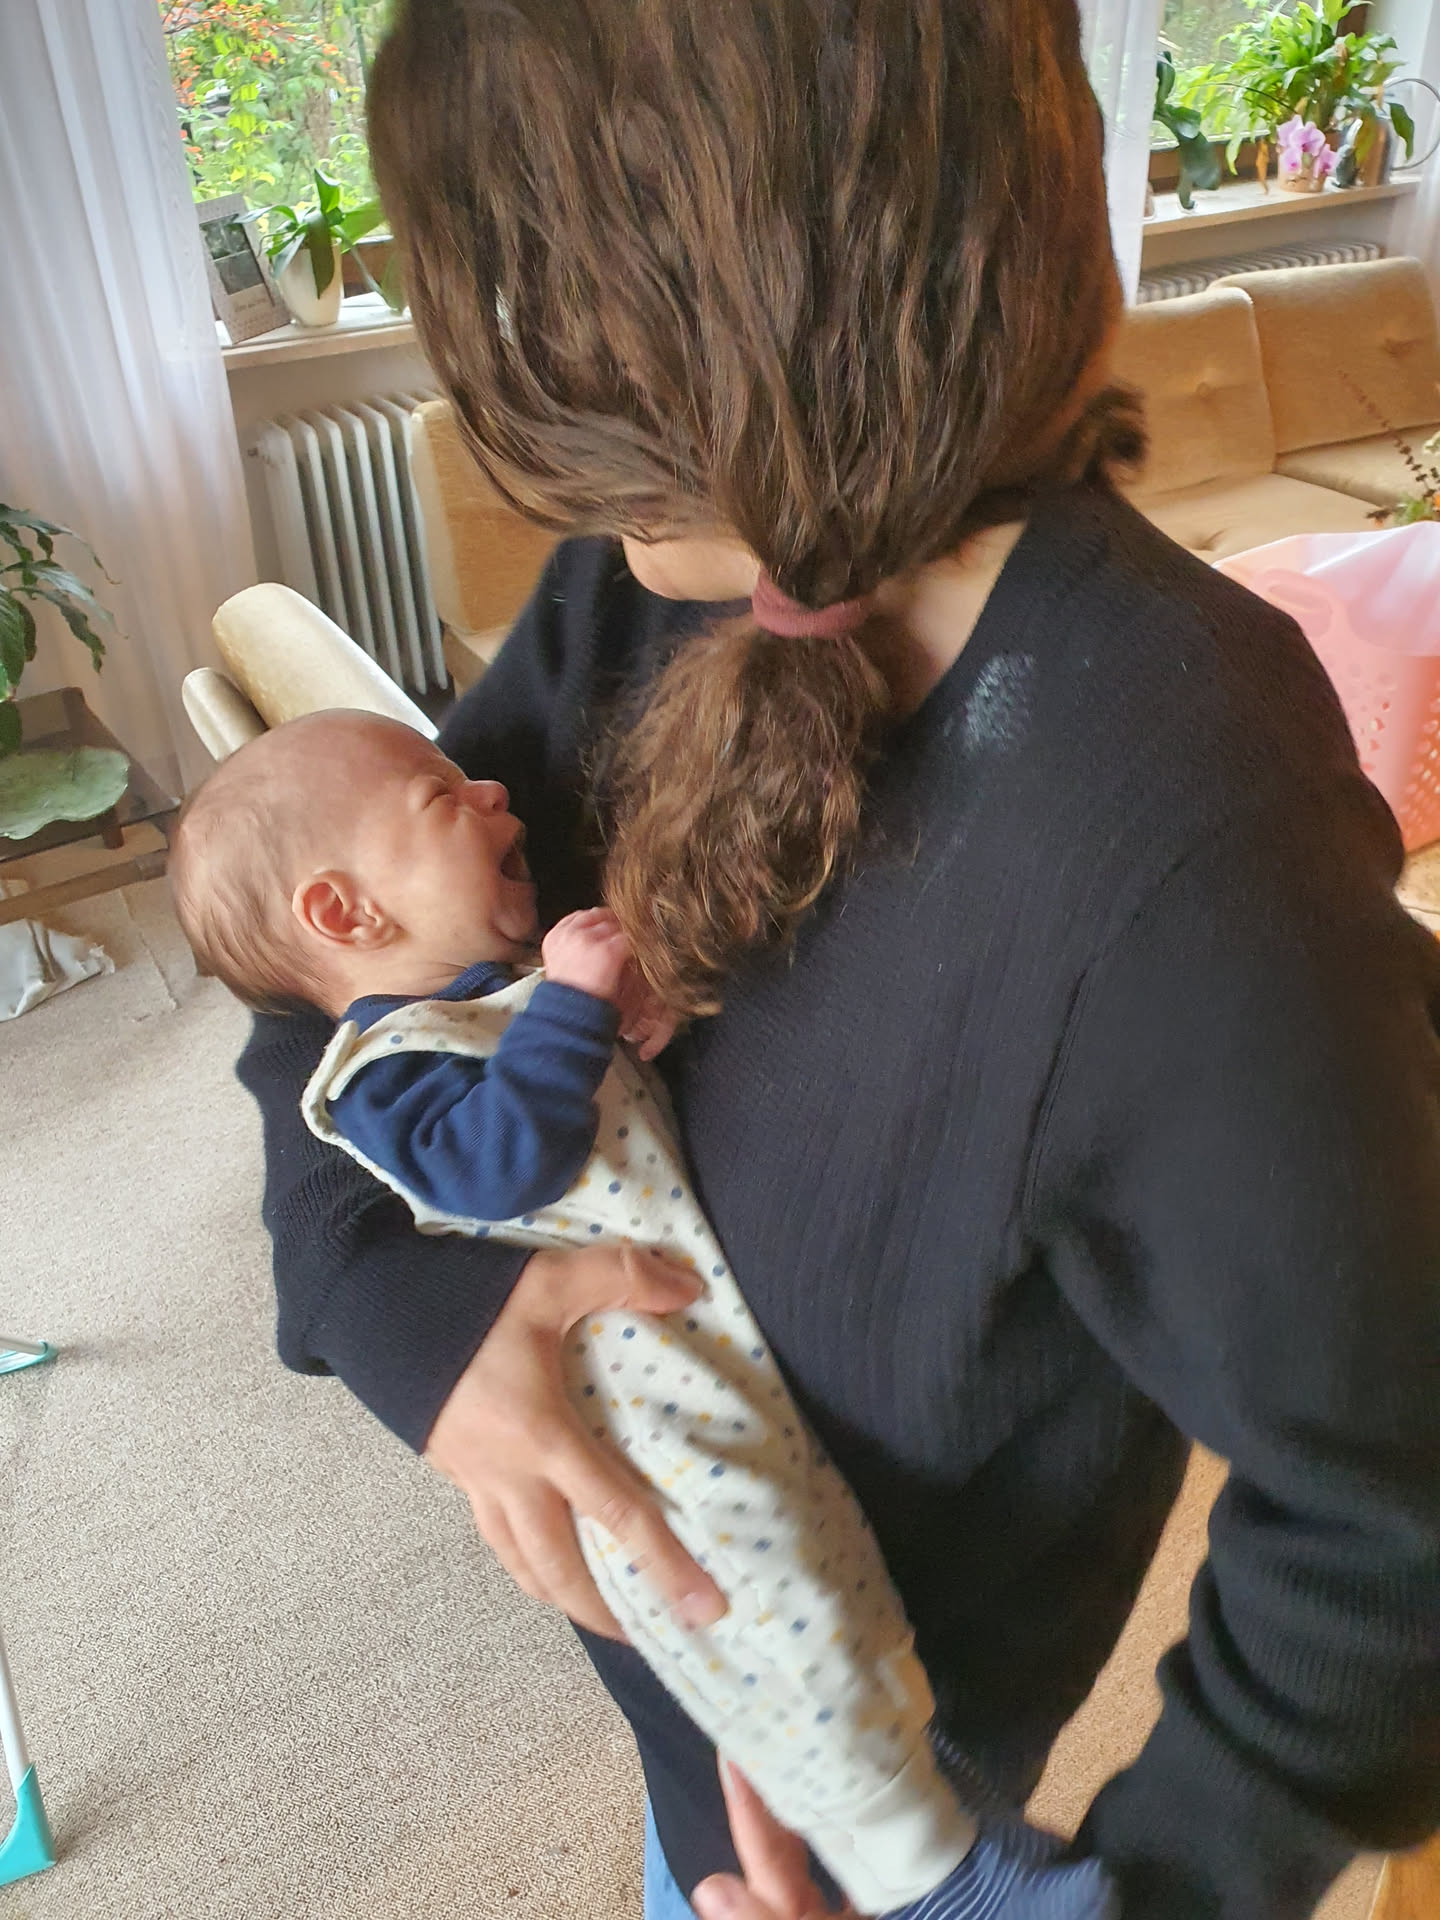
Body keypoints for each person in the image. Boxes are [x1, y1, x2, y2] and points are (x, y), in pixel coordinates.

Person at [237, 2, 1440, 1916]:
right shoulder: (643, 592)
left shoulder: (1184, 824)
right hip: (706, 1720)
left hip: (893, 1803)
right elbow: (330, 1000)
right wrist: (413, 1327)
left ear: (718, 310)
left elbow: (1388, 1510)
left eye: (526, 315)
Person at [170, 707, 1115, 1919]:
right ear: (345, 915)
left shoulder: (497, 996)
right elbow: (496, 1162)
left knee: (833, 1600)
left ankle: (931, 1814)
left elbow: (590, 1105)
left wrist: (623, 1021)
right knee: (772, 1617)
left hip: (707, 1369)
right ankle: (932, 1873)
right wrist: (573, 1012)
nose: (496, 793)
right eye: (445, 797)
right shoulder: (382, 1065)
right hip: (642, 1414)